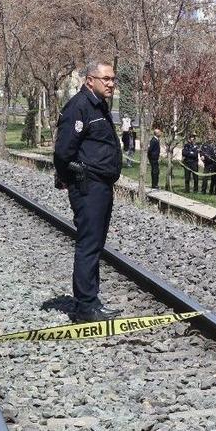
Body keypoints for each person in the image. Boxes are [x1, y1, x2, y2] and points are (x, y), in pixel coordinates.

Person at [53, 60, 123, 322]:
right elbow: (63, 151)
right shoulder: (79, 107)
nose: (111, 83)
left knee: (95, 244)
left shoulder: (98, 106)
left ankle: (92, 300)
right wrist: (71, 174)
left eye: (113, 79)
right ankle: (85, 306)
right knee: (88, 245)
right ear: (89, 80)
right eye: (105, 79)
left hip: (101, 185)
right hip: (88, 185)